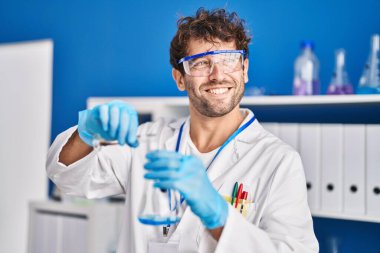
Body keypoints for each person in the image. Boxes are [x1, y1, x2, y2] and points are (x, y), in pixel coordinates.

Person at [46, 8, 319, 253]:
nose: (217, 74)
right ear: (179, 78)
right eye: (200, 63)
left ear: (244, 69)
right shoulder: (146, 142)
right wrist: (87, 132)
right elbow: (66, 177)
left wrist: (219, 216)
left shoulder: (279, 161)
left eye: (228, 59)